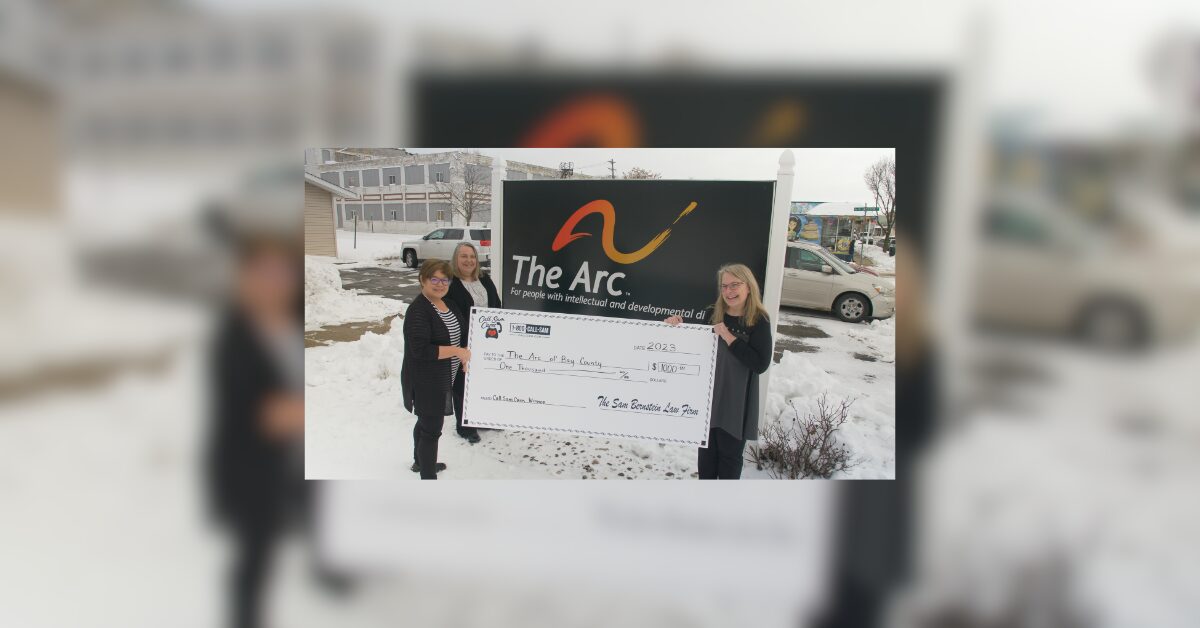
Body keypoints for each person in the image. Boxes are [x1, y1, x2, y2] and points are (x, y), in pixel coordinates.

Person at [207, 236, 306, 628]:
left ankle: (333, 579)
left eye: (282, 273)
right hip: (253, 468)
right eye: (264, 273)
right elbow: (267, 415)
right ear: (244, 278)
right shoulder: (235, 336)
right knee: (256, 554)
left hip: (297, 456)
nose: (275, 281)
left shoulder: (291, 321)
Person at [666, 263, 771, 479]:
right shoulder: (713, 314)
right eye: (724, 286)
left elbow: (760, 364)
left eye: (734, 285)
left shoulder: (759, 320)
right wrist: (677, 327)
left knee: (730, 457)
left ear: (748, 287)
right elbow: (695, 344)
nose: (728, 291)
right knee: (706, 456)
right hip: (708, 399)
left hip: (735, 402)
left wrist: (729, 337)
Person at [402, 259, 471, 479]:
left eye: (445, 280)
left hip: (445, 375)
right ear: (422, 280)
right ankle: (428, 476)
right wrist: (456, 351)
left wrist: (463, 355)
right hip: (426, 380)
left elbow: (459, 334)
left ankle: (419, 462)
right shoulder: (418, 310)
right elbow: (421, 350)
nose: (440, 284)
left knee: (425, 422)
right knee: (431, 430)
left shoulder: (448, 304)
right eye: (435, 279)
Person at [443, 242, 502, 444]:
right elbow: (450, 314)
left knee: (484, 380)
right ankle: (465, 425)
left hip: (488, 339)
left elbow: (496, 304)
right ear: (455, 259)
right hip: (463, 341)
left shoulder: (484, 279)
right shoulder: (451, 284)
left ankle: (483, 418)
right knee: (463, 383)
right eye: (464, 256)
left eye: (472, 256)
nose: (469, 260)